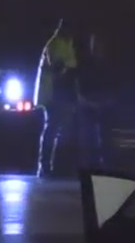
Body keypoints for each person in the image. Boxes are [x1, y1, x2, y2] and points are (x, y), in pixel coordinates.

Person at [33, 18, 79, 177]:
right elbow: (59, 68)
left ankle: (52, 165)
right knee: (53, 128)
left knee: (57, 128)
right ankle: (45, 165)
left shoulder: (67, 42)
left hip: (58, 91)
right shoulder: (57, 43)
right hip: (52, 92)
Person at [75, 32, 115, 169]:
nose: (97, 48)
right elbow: (80, 85)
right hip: (88, 105)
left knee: (105, 138)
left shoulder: (107, 65)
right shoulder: (87, 64)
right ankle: (88, 165)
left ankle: (105, 165)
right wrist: (88, 102)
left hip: (103, 105)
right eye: (94, 44)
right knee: (88, 139)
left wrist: (105, 102)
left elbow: (112, 86)